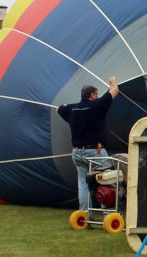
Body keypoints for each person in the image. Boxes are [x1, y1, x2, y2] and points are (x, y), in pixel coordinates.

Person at [57, 76, 119, 212]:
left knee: (83, 184)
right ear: (92, 95)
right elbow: (114, 91)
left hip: (77, 152)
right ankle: (108, 214)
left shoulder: (72, 109)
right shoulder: (97, 105)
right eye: (96, 94)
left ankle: (84, 214)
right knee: (106, 180)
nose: (97, 96)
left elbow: (59, 109)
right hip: (95, 152)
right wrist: (112, 81)